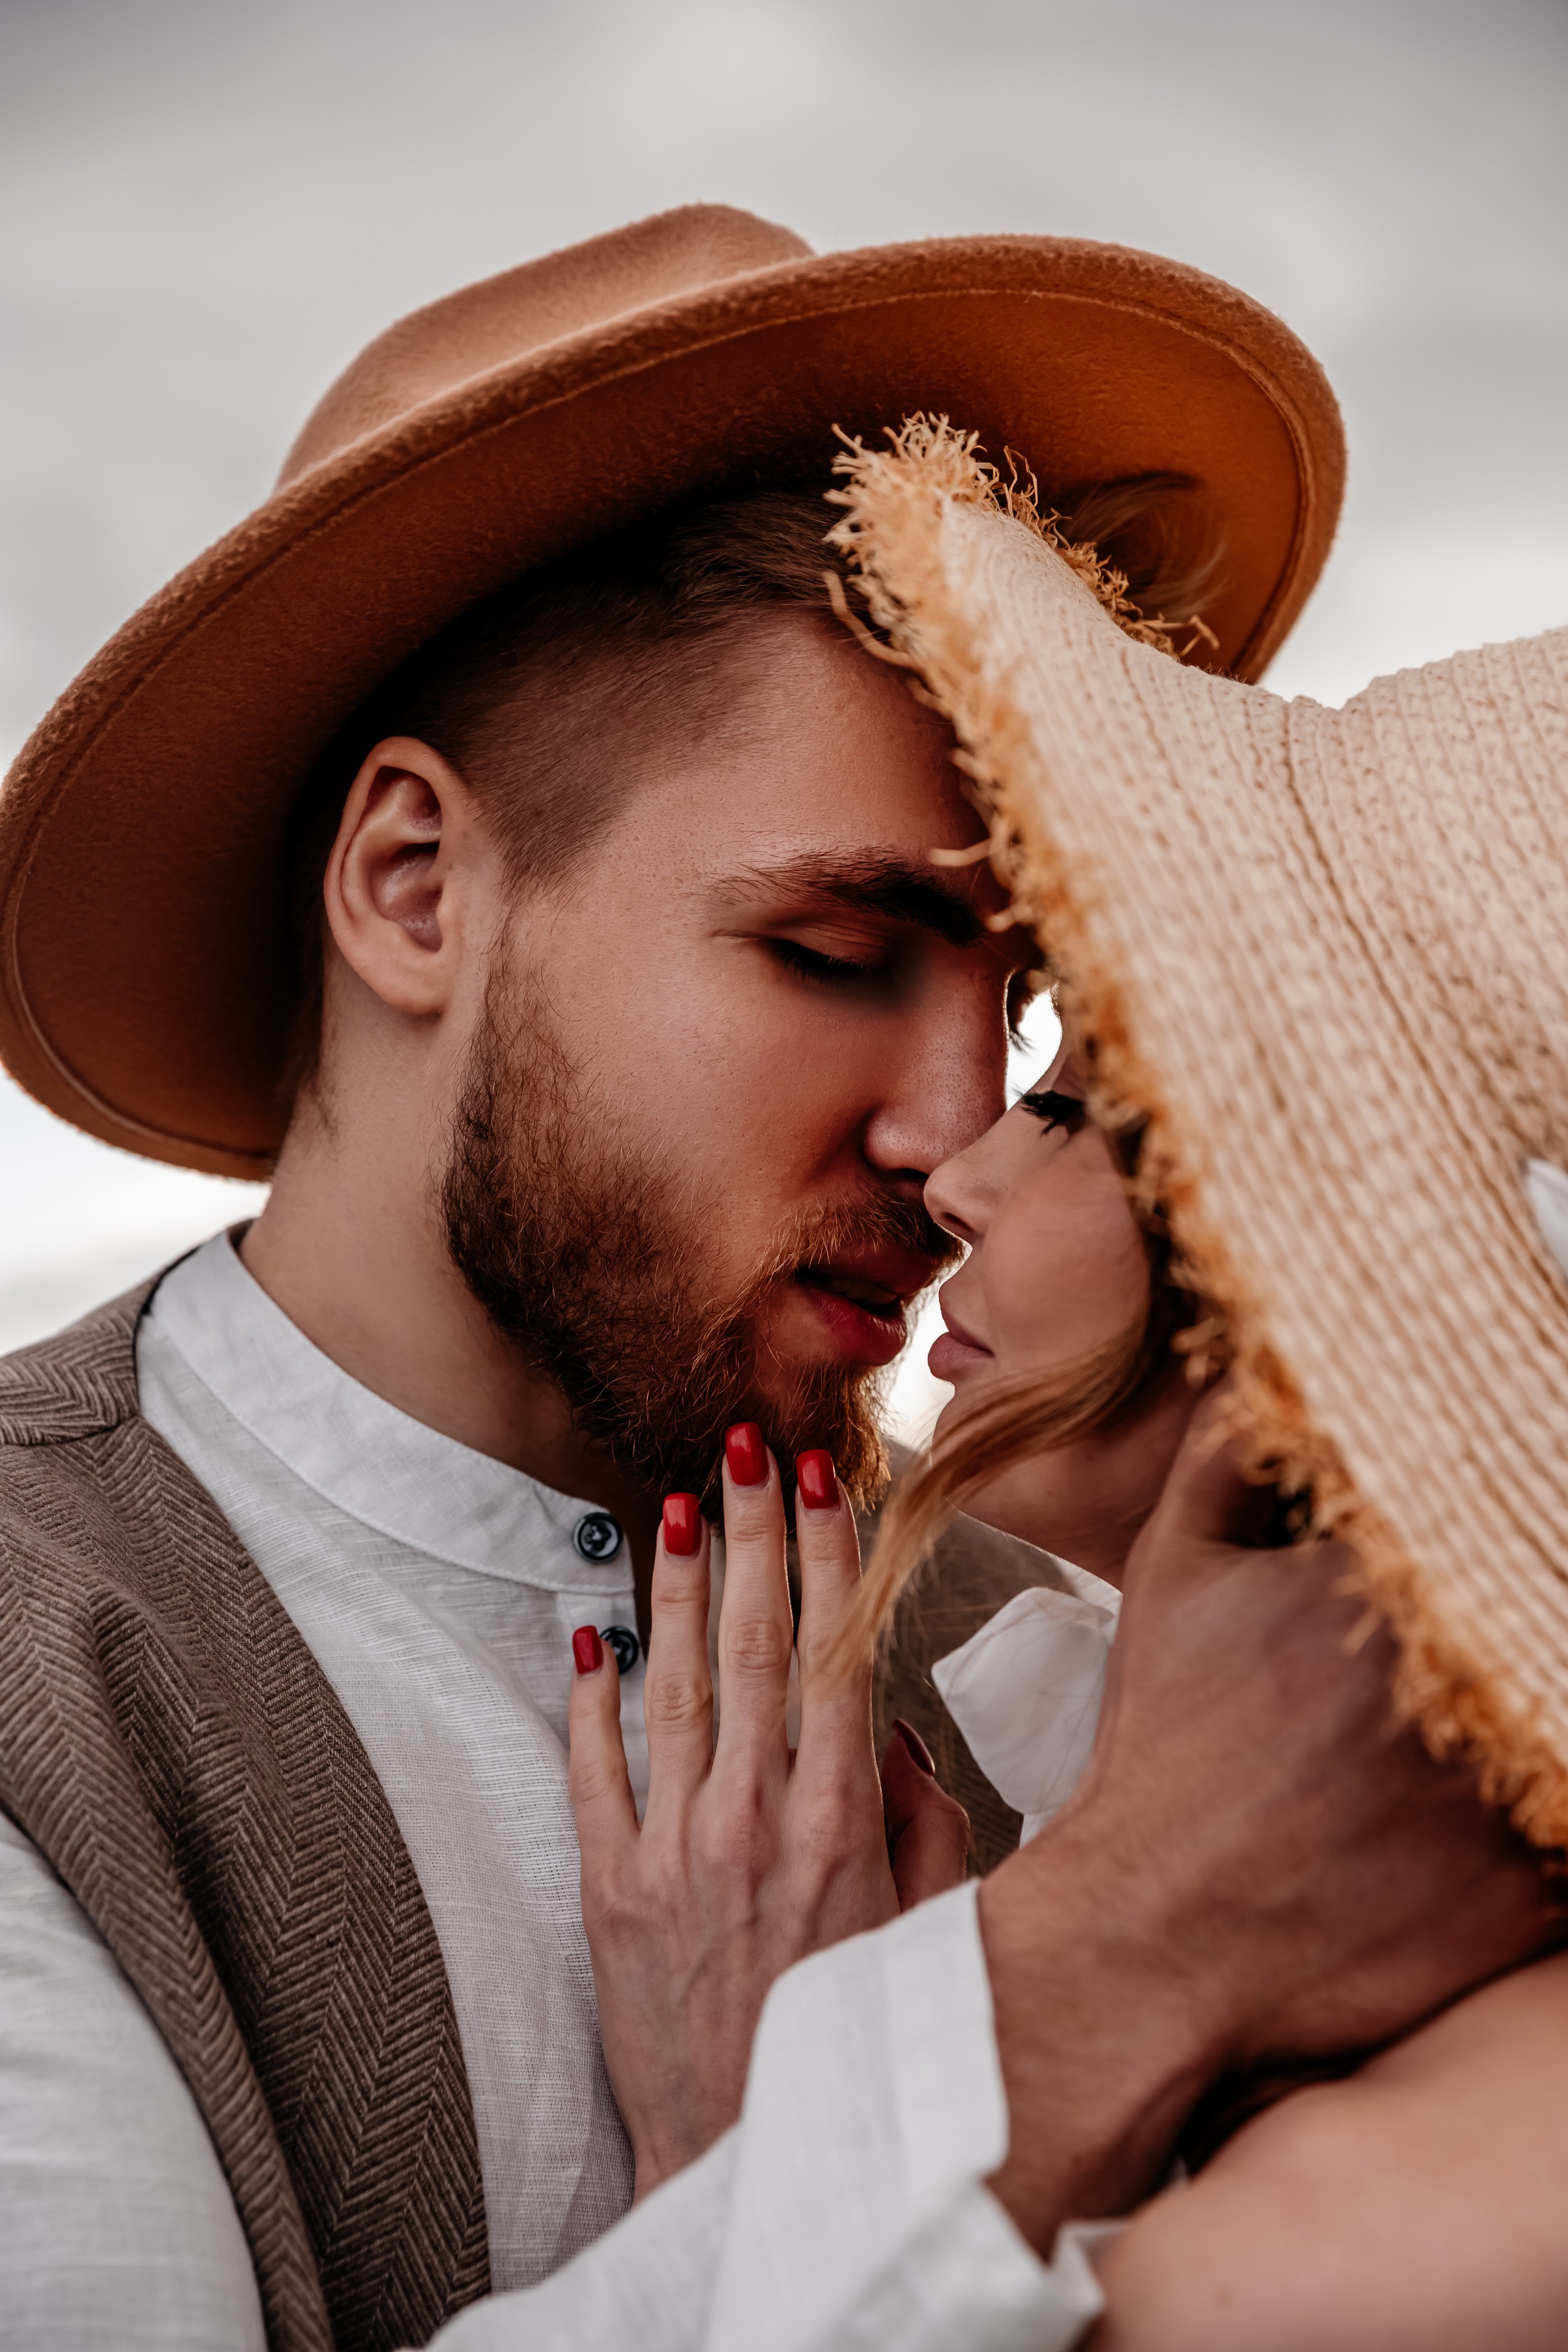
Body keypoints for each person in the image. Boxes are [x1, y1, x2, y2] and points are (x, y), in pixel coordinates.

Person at [0, 205, 1550, 2351]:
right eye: (833, 952)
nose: (950, 1132)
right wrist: (1100, 1972)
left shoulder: (1137, 1670)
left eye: (1024, 1011)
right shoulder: (33, 1666)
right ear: (414, 887)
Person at [563, 419, 1568, 2350]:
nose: (954, 1164)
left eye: (1074, 1100)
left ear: (1326, 1255)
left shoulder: (1362, 2240)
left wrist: (749, 2169)